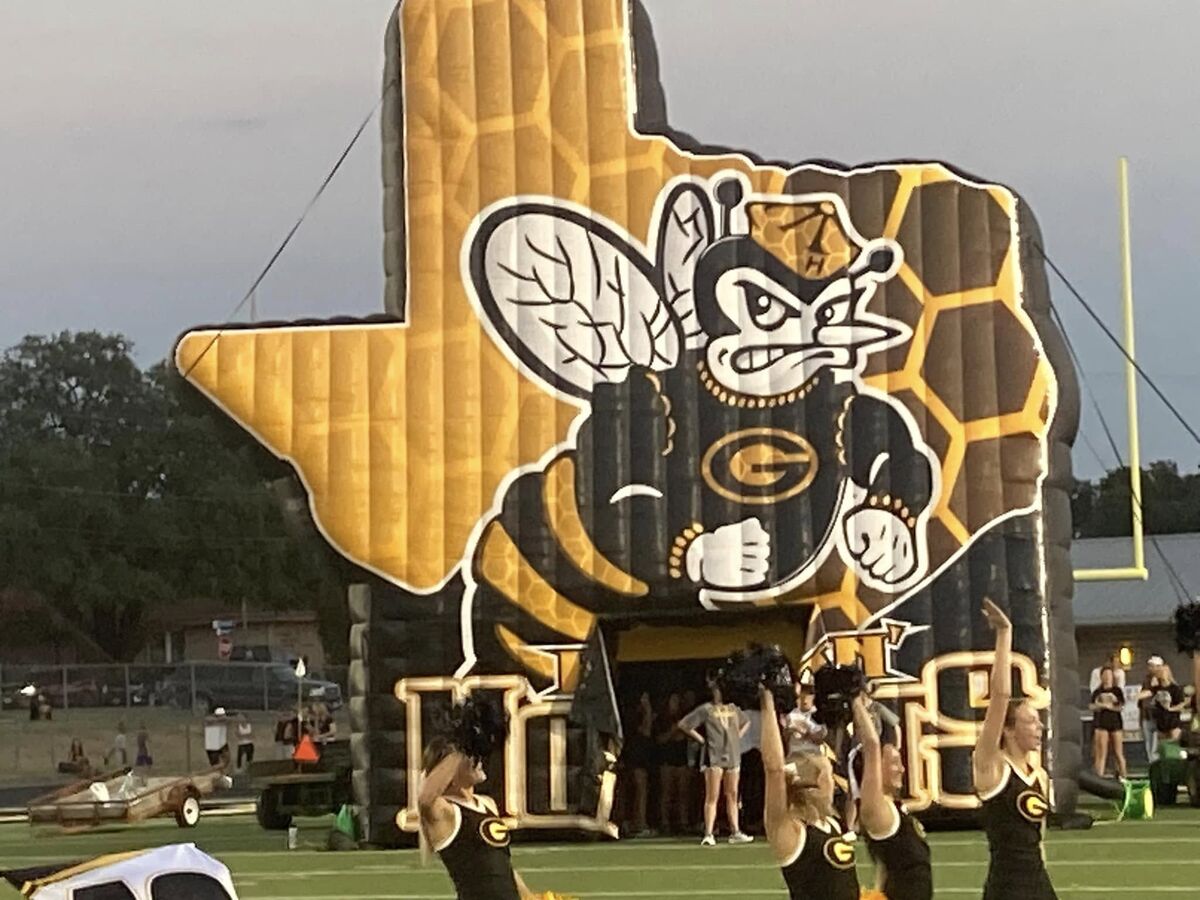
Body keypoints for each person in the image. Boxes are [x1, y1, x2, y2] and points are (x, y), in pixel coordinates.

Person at [973, 598, 1057, 900]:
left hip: (1039, 884)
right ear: (1008, 729)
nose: (1039, 727)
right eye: (1030, 721)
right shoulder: (991, 766)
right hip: (1007, 887)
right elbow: (1000, 695)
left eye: (1038, 721)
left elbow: (1039, 840)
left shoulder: (1039, 775)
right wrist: (1004, 633)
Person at [760, 686, 859, 899]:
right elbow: (774, 770)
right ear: (814, 784)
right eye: (828, 776)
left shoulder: (831, 822)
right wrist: (767, 702)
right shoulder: (792, 830)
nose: (833, 784)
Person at [418, 737, 539, 899]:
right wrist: (459, 746)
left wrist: (531, 897)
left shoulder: (488, 803)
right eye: (470, 757)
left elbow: (504, 865)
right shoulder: (445, 812)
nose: (479, 761)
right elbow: (425, 799)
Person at [851, 695, 931, 900]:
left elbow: (885, 863)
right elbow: (871, 745)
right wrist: (856, 702)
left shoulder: (894, 808)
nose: (902, 769)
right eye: (894, 763)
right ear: (876, 768)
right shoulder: (876, 809)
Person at [679, 682, 753, 846]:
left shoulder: (733, 708)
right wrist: (702, 740)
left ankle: (735, 831)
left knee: (732, 794)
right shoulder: (707, 709)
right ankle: (708, 832)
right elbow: (684, 724)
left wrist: (737, 736)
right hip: (714, 755)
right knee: (712, 795)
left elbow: (746, 721)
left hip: (733, 755)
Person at [655, 693, 691, 834]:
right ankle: (665, 822)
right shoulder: (661, 720)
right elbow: (660, 739)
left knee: (683, 793)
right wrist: (673, 730)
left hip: (681, 759)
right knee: (667, 792)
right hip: (666, 760)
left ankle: (684, 822)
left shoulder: (684, 718)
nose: (675, 703)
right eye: (672, 700)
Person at [620, 692, 655, 836]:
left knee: (633, 792)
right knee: (641, 791)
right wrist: (648, 709)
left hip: (632, 756)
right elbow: (646, 731)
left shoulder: (625, 715)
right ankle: (640, 824)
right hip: (637, 757)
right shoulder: (635, 717)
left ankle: (630, 823)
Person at [1089, 667, 1126, 778]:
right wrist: (1101, 706)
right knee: (1101, 752)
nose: (1107, 678)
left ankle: (1123, 775)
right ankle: (1099, 776)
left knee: (1118, 752)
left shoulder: (1117, 691)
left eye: (1109, 675)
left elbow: (1121, 706)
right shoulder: (1097, 692)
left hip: (1115, 723)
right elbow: (1092, 706)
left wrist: (1110, 706)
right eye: (1105, 675)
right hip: (1101, 723)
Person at [1146, 665, 1186, 742]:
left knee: (1174, 743)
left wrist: (1170, 709)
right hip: (1161, 723)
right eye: (1160, 672)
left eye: (1163, 672)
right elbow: (1149, 694)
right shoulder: (1156, 689)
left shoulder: (1175, 688)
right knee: (1163, 745)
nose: (1162, 674)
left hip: (1173, 722)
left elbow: (1181, 705)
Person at [785, 683, 827, 757]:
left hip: (813, 753)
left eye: (808, 695)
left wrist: (804, 732)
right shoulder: (791, 715)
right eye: (802, 695)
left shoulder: (818, 715)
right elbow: (785, 737)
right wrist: (788, 731)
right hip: (795, 753)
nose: (804, 698)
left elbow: (819, 740)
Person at [1138, 656, 1165, 761]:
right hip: (1146, 715)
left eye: (1154, 666)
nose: (1151, 668)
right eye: (1150, 666)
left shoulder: (1164, 681)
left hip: (1159, 717)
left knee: (1157, 743)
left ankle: (1157, 762)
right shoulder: (1146, 680)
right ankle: (1152, 762)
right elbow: (1141, 702)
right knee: (1148, 743)